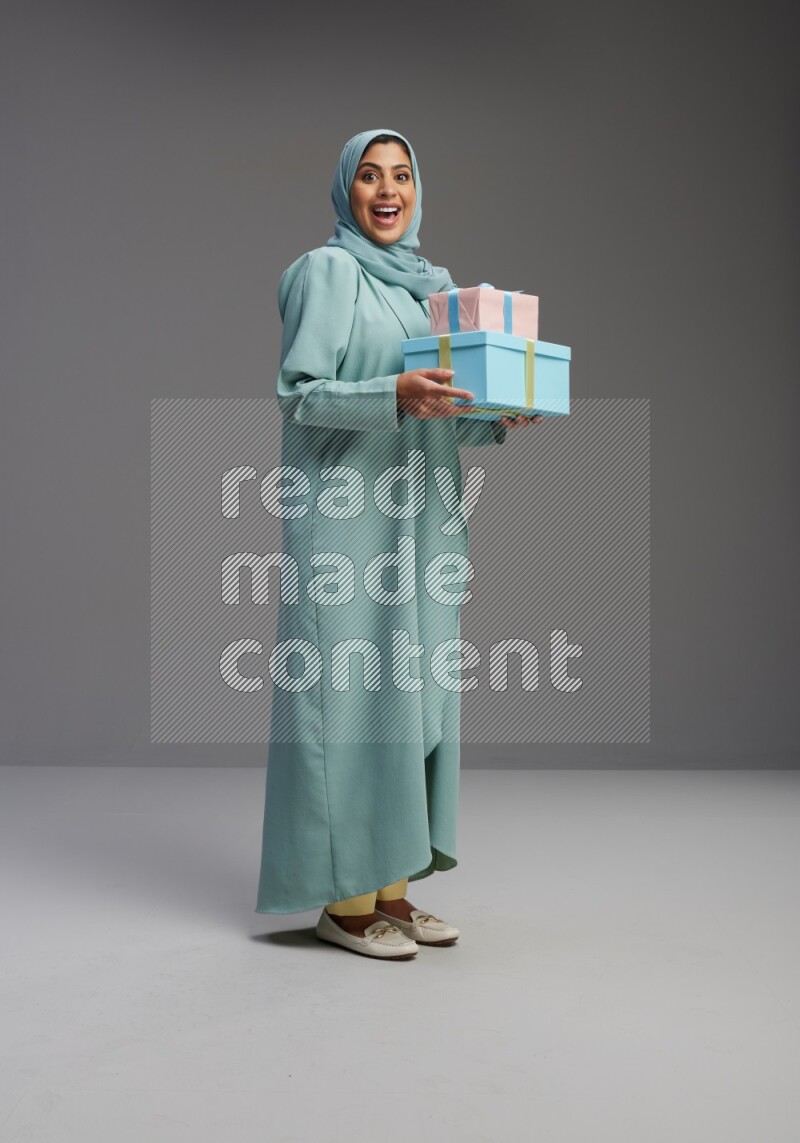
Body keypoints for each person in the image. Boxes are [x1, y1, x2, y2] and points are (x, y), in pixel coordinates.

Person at [255, 128, 542, 960]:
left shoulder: (434, 290)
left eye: (403, 175)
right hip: (348, 521)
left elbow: (438, 415)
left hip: (423, 517)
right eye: (371, 176)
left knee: (414, 700)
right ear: (346, 190)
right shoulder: (327, 271)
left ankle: (392, 887)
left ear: (418, 190)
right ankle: (344, 904)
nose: (388, 190)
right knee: (350, 704)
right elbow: (299, 395)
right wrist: (394, 393)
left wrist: (499, 413)